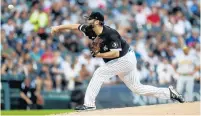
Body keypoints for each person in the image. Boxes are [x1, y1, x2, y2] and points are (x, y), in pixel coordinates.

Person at [51, 12, 184, 111]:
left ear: (97, 21)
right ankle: (169, 92)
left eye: (91, 19)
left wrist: (98, 54)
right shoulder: (90, 29)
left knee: (99, 73)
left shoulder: (110, 33)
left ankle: (89, 105)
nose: (88, 21)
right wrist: (58, 27)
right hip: (120, 61)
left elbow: (115, 53)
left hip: (125, 59)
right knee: (137, 88)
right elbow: (75, 26)